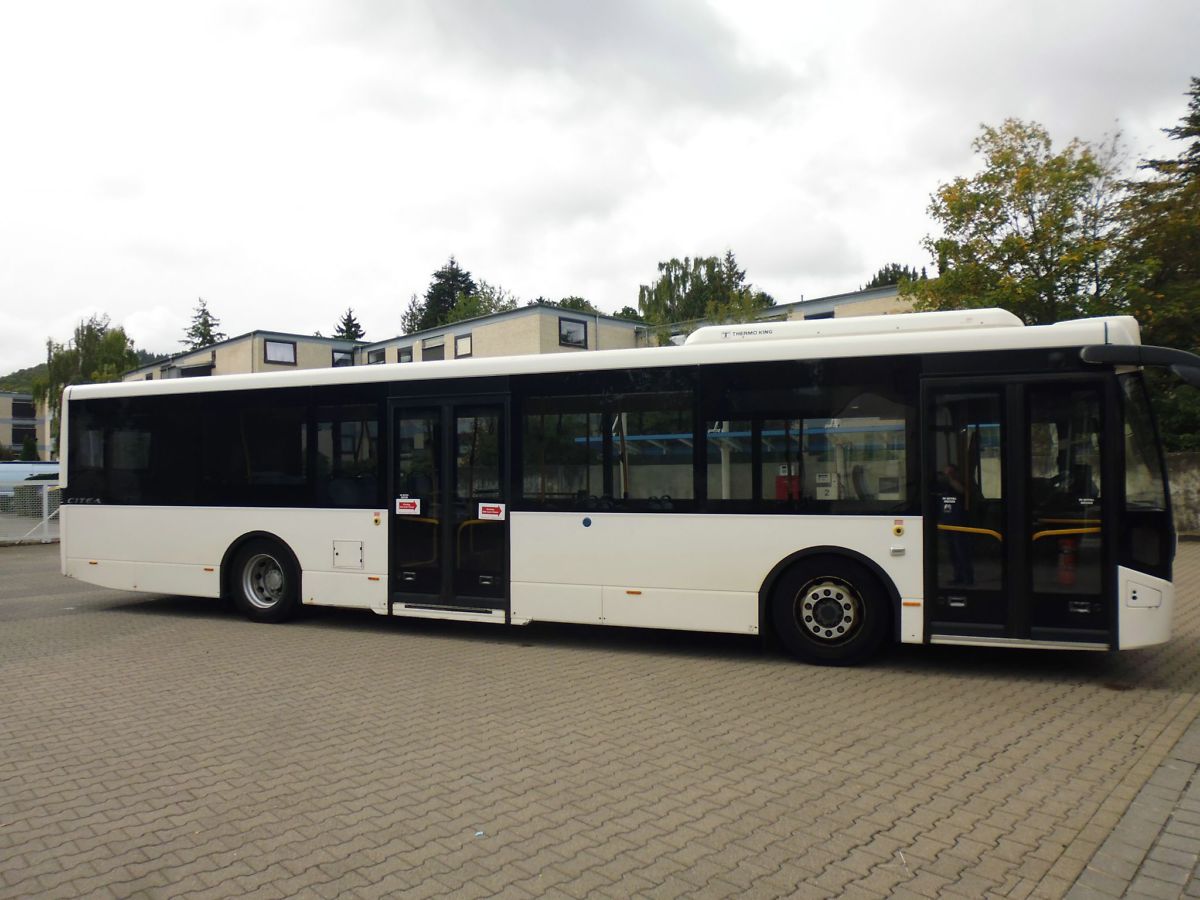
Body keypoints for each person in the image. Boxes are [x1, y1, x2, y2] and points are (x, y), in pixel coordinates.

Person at [941, 463, 974, 586]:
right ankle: (958, 576)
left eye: (950, 473)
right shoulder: (944, 486)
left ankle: (967, 578)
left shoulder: (959, 484)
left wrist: (951, 479)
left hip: (959, 522)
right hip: (947, 522)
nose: (947, 475)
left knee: (962, 551)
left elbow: (962, 491)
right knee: (953, 552)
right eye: (946, 473)